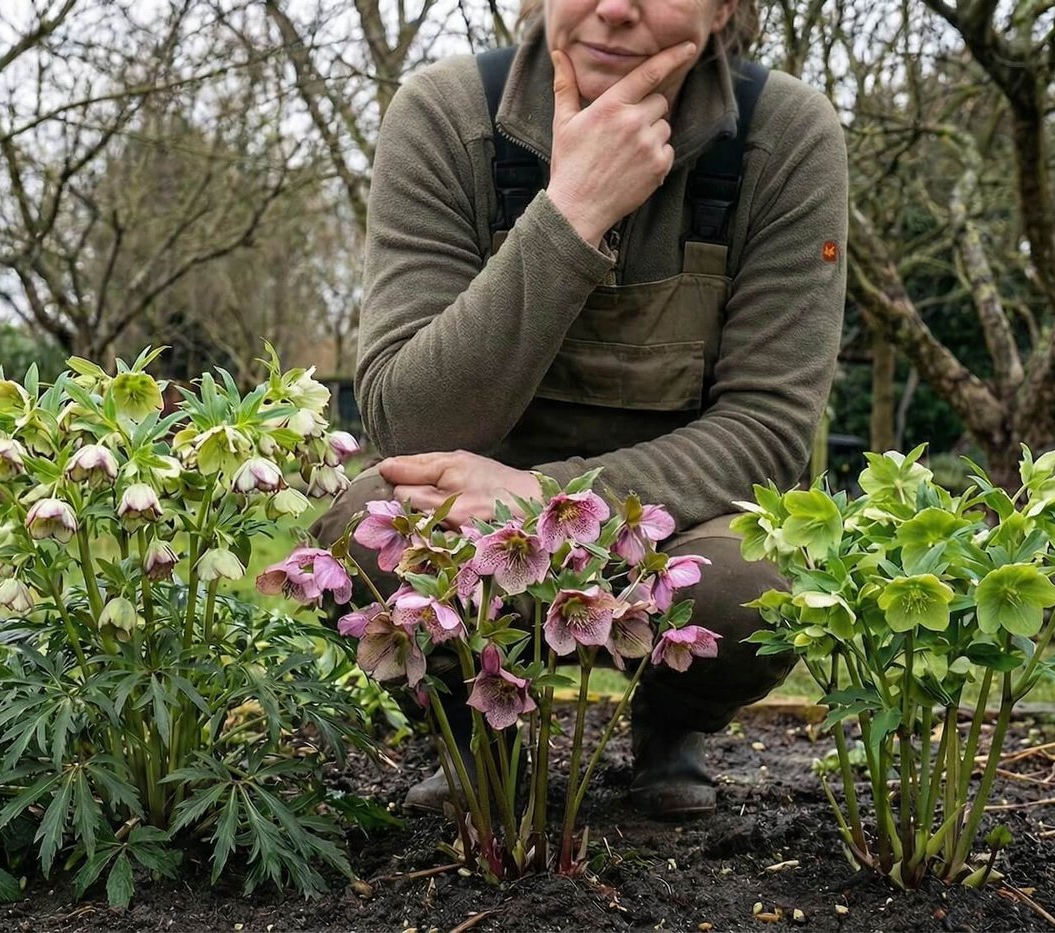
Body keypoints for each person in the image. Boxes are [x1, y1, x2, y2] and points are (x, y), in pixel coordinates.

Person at [309, 0, 847, 820]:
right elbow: (404, 423)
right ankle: (473, 731)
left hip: (678, 526)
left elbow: (768, 431)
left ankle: (674, 724)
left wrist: (547, 503)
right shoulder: (447, 117)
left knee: (758, 585)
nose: (614, 8)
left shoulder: (785, 138)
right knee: (364, 539)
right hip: (470, 522)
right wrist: (572, 211)